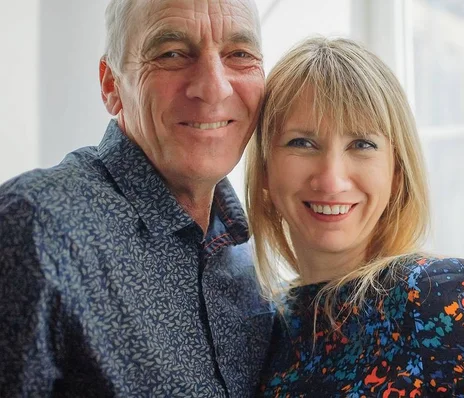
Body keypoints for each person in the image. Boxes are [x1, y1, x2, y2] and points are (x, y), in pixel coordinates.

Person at [246, 37, 464, 397]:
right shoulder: (270, 323)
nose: (331, 179)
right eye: (302, 142)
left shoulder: (433, 297)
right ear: (266, 169)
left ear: (396, 172)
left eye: (361, 144)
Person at [0, 0, 272, 396]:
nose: (214, 87)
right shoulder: (36, 228)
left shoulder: (254, 259)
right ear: (111, 85)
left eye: (240, 55)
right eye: (172, 54)